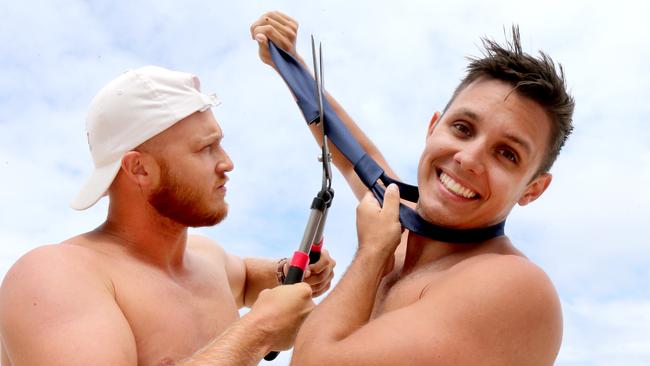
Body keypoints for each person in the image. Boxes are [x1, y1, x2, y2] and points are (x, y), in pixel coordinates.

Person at [252, 12, 574, 366]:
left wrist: (372, 255)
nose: (468, 159)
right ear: (434, 128)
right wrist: (289, 63)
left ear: (533, 189)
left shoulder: (513, 286)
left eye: (507, 154)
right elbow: (360, 158)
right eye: (463, 128)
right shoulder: (400, 227)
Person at [0, 65, 335, 365]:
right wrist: (260, 330)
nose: (227, 162)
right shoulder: (55, 278)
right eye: (205, 148)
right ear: (140, 169)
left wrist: (287, 273)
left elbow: (245, 278)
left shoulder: (206, 257)